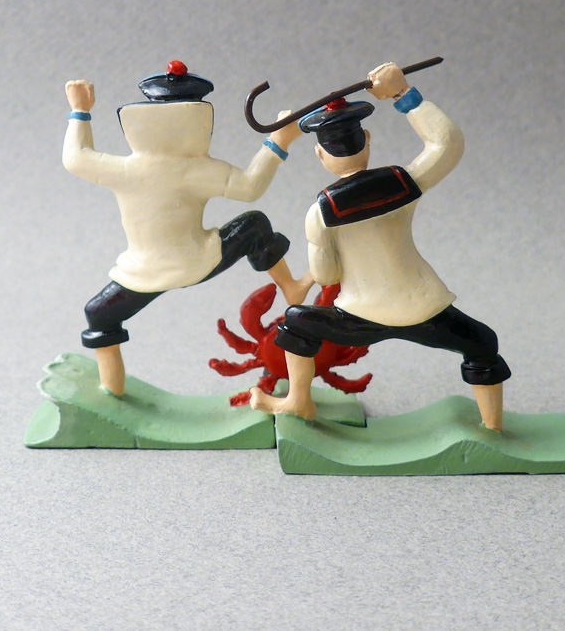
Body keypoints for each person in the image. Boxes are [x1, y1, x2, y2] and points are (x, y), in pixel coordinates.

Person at [250, 62, 510, 431]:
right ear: (368, 139)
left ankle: (298, 401)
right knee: (482, 343)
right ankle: (493, 426)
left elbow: (326, 276)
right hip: (424, 307)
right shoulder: (404, 181)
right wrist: (403, 94)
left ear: (320, 155)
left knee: (296, 323)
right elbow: (448, 144)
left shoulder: (319, 213)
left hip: (361, 315)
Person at [63, 61, 312, 396]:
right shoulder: (196, 168)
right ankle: (290, 286)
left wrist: (80, 111)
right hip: (193, 263)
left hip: (145, 272)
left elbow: (76, 158)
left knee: (98, 315)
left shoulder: (128, 169)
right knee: (254, 225)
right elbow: (251, 186)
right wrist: (279, 141)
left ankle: (111, 389)